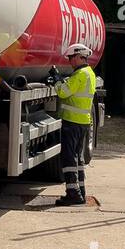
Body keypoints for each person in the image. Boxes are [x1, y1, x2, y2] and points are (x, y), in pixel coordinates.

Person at [54, 42, 97, 206]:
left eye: (72, 58)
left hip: (72, 121)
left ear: (80, 57)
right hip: (83, 122)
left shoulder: (79, 75)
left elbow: (63, 92)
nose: (70, 61)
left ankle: (73, 194)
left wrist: (57, 80)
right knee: (78, 159)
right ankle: (80, 192)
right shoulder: (89, 73)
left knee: (69, 159)